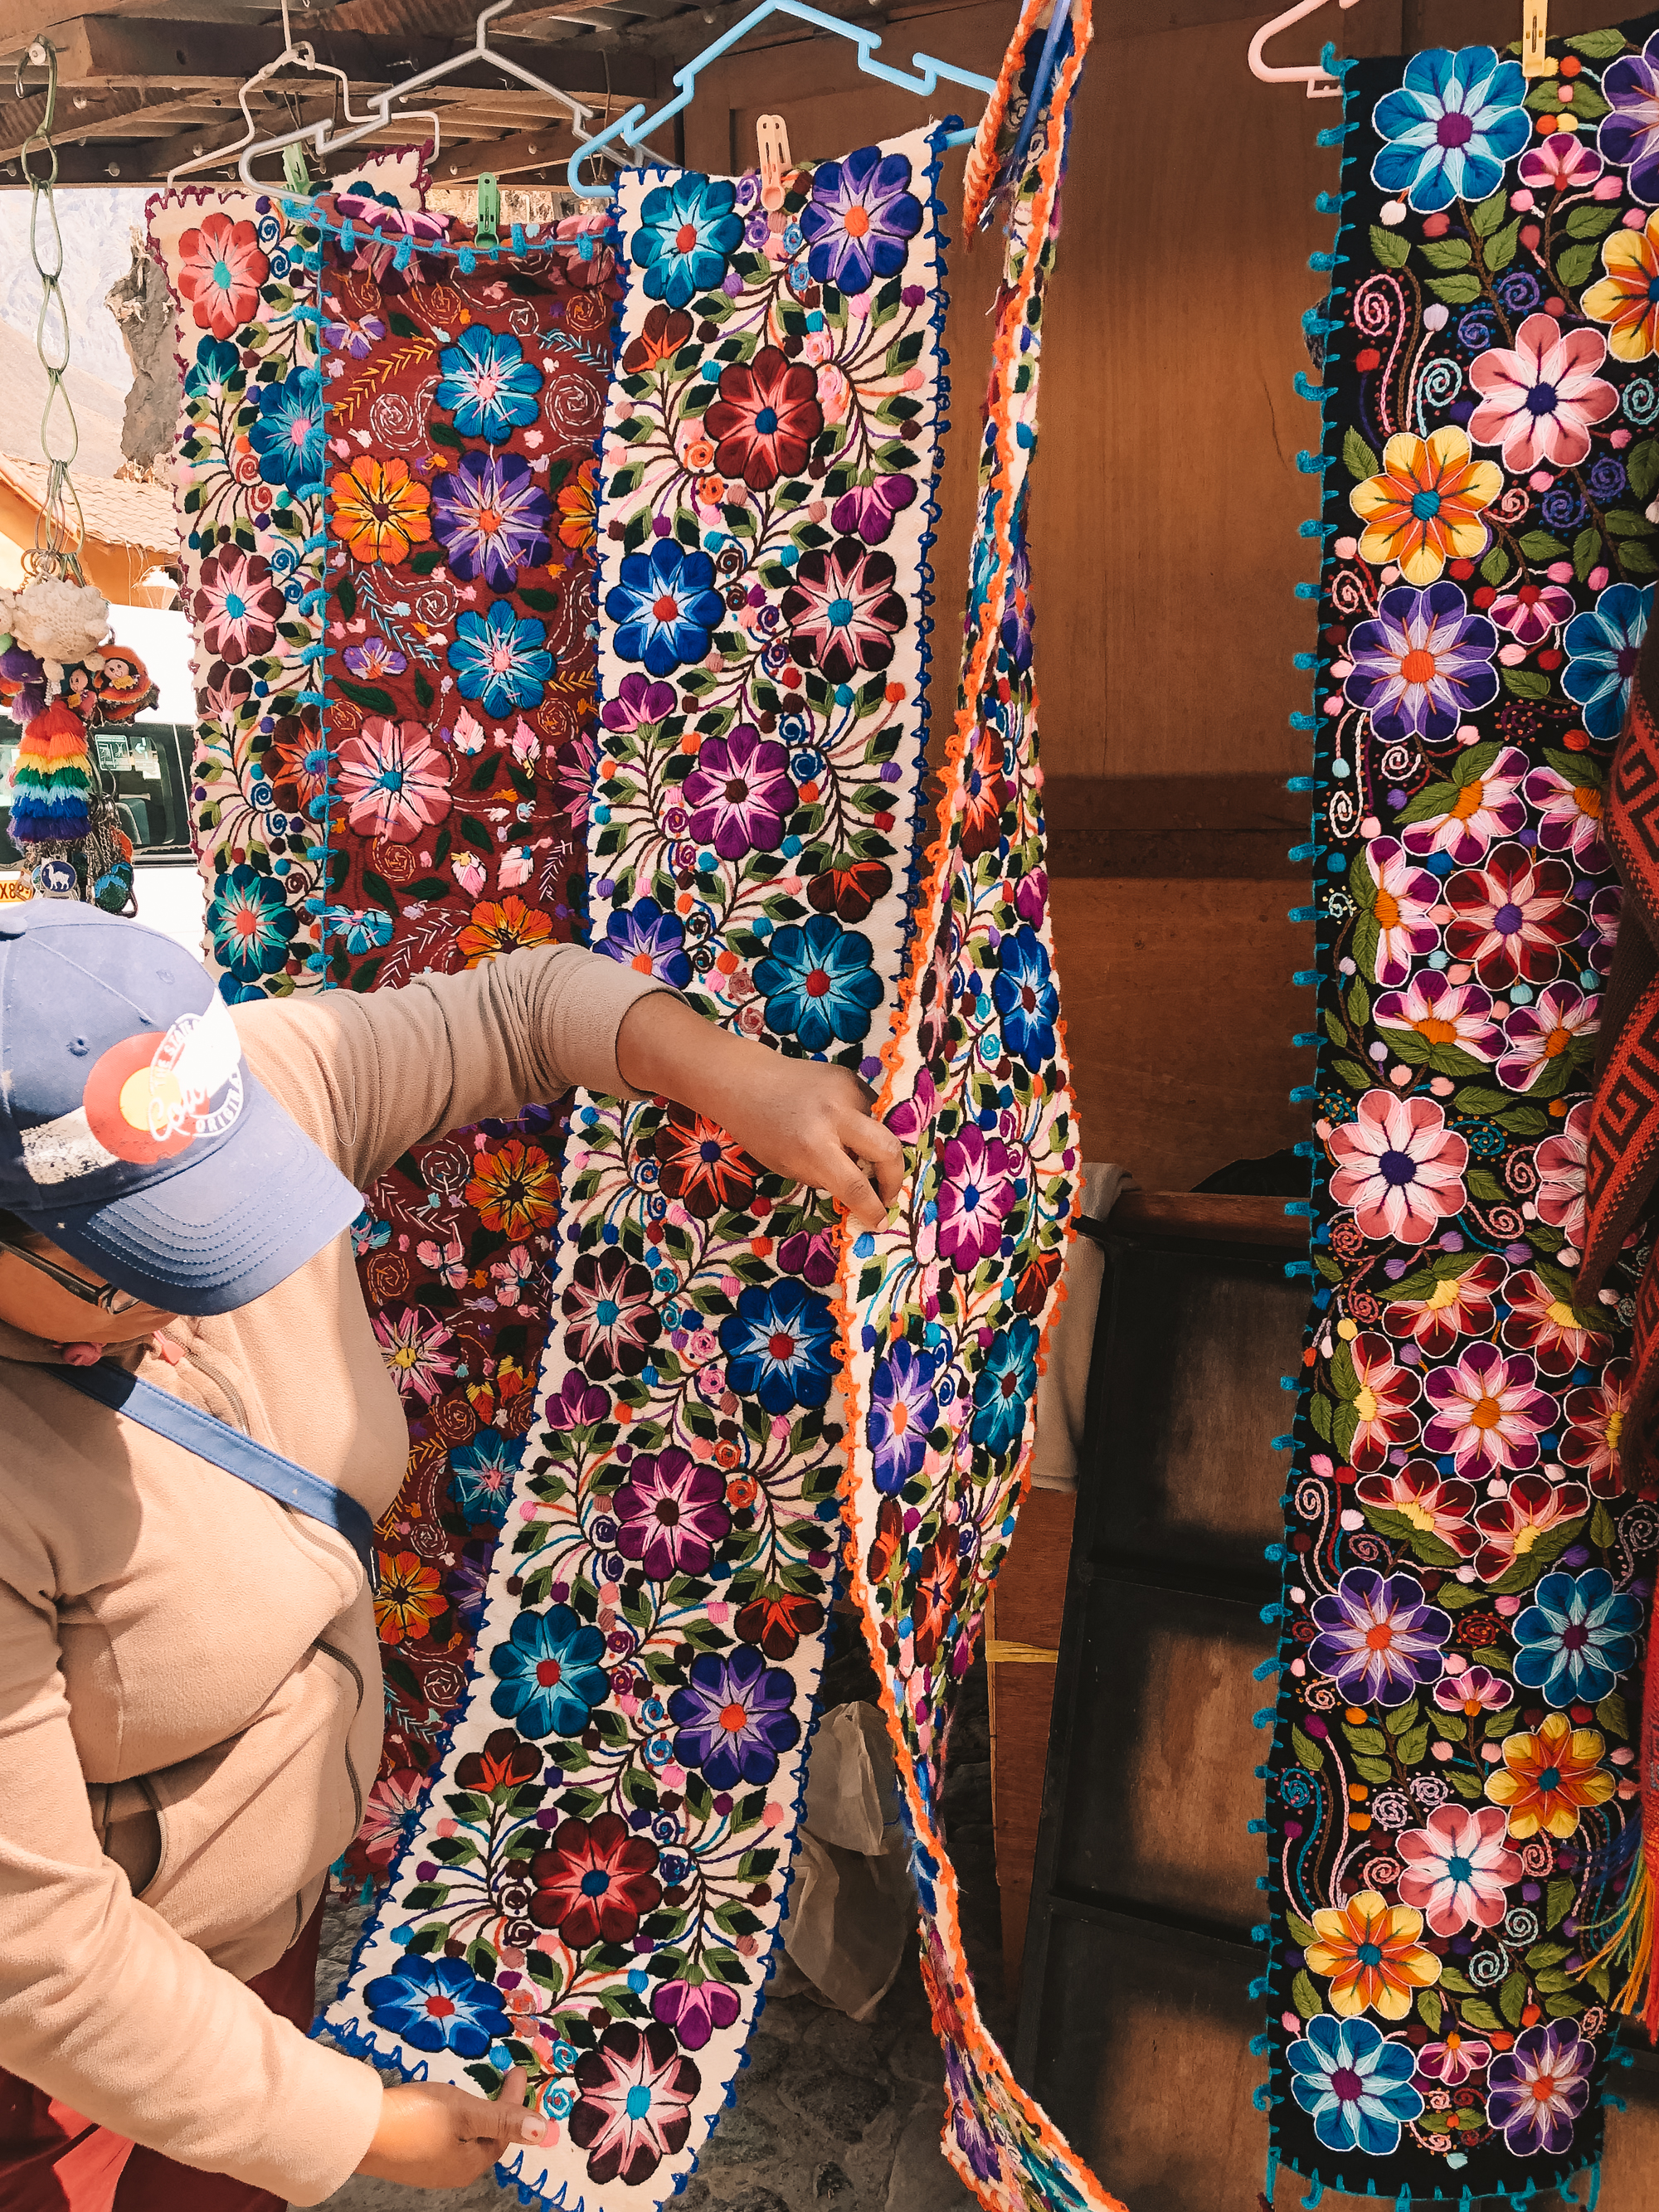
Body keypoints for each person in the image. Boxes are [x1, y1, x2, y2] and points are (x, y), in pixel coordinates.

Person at [0, 901, 902, 2210]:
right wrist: (351, 2124)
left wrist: (747, 1082)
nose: (208, 1294)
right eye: (138, 1270)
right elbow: (41, 1955)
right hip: (68, 2049)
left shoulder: (233, 1090)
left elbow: (518, 1009)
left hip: (258, 1933)